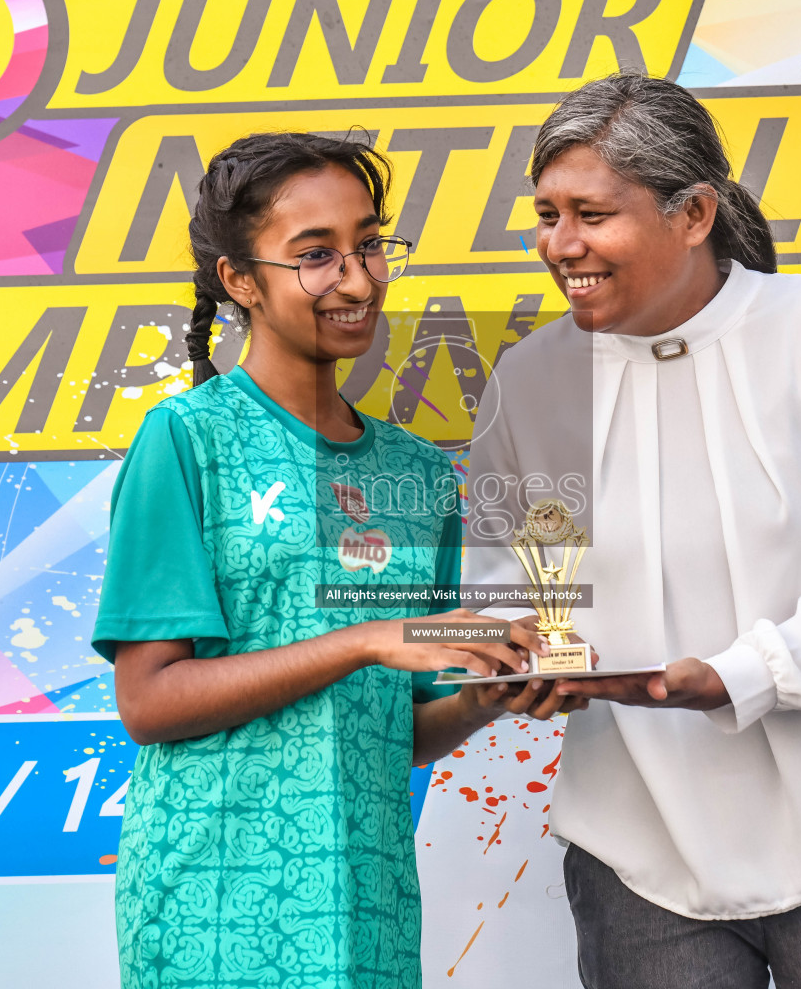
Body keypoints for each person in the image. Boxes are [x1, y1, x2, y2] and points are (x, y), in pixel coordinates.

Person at [464, 75, 801, 987]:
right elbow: (498, 581)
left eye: (592, 214)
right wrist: (518, 652)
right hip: (635, 855)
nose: (560, 245)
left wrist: (738, 677)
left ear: (693, 213)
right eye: (546, 214)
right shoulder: (530, 380)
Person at [92, 132, 537, 989]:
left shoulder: (417, 475)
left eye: (370, 245)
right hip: (213, 905)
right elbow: (149, 702)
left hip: (365, 906)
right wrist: (365, 639)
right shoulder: (188, 440)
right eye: (316, 255)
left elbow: (401, 726)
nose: (359, 279)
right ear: (239, 281)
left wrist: (488, 696)